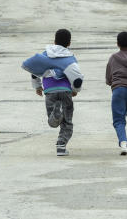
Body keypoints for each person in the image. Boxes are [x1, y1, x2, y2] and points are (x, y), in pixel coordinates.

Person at [21, 28, 84, 157]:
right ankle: (61, 146)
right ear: (69, 43)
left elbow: (34, 71)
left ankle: (55, 115)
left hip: (50, 91)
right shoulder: (69, 58)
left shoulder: (45, 55)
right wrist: (75, 90)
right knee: (67, 121)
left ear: (54, 41)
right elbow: (77, 78)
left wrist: (38, 87)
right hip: (66, 91)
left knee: (52, 122)